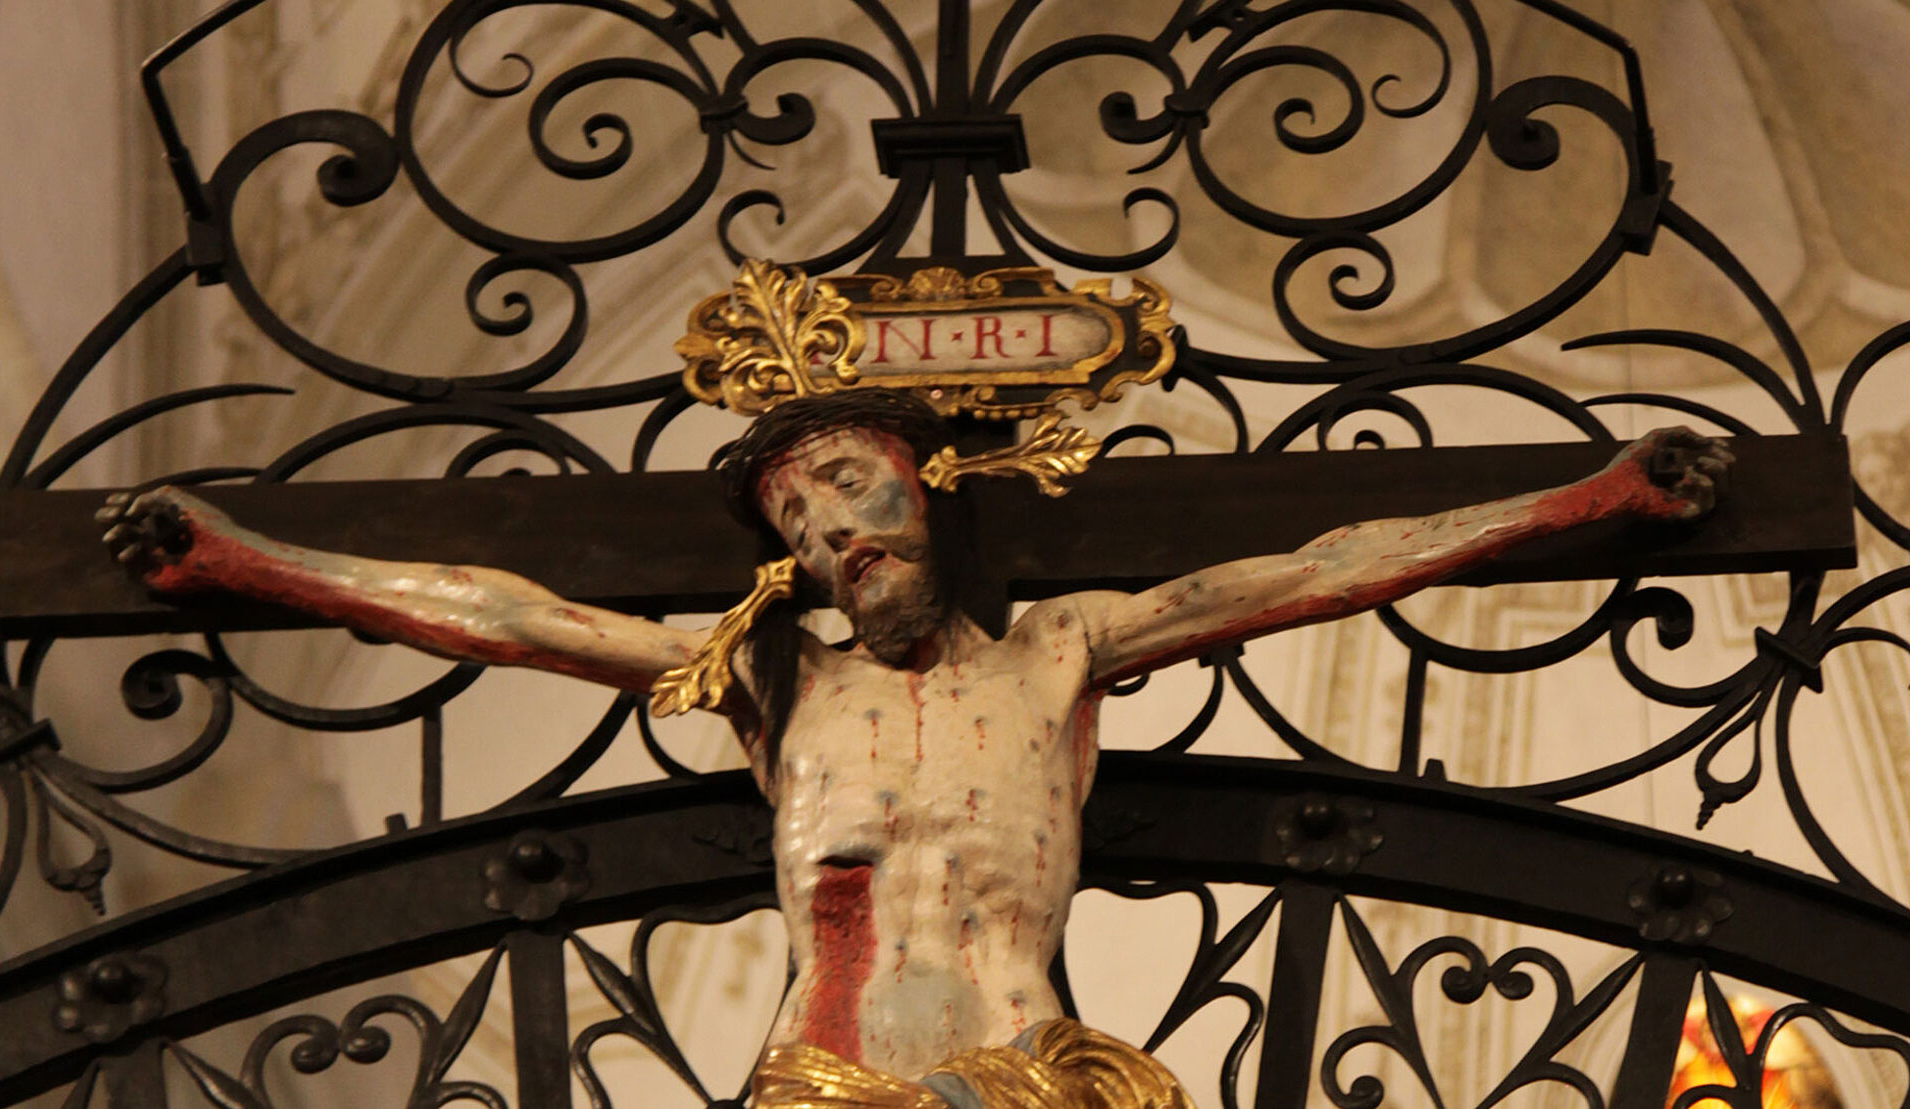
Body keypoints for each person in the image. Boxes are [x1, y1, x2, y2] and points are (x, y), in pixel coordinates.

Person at [98, 388, 1732, 1108]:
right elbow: (508, 614)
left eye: (846, 488)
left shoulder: (1062, 650)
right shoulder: (772, 682)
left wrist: (1587, 500)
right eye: (795, 519)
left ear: (926, 487)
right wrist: (248, 560)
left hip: (1035, 1078)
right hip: (832, 1084)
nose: (828, 535)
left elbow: (1321, 568)